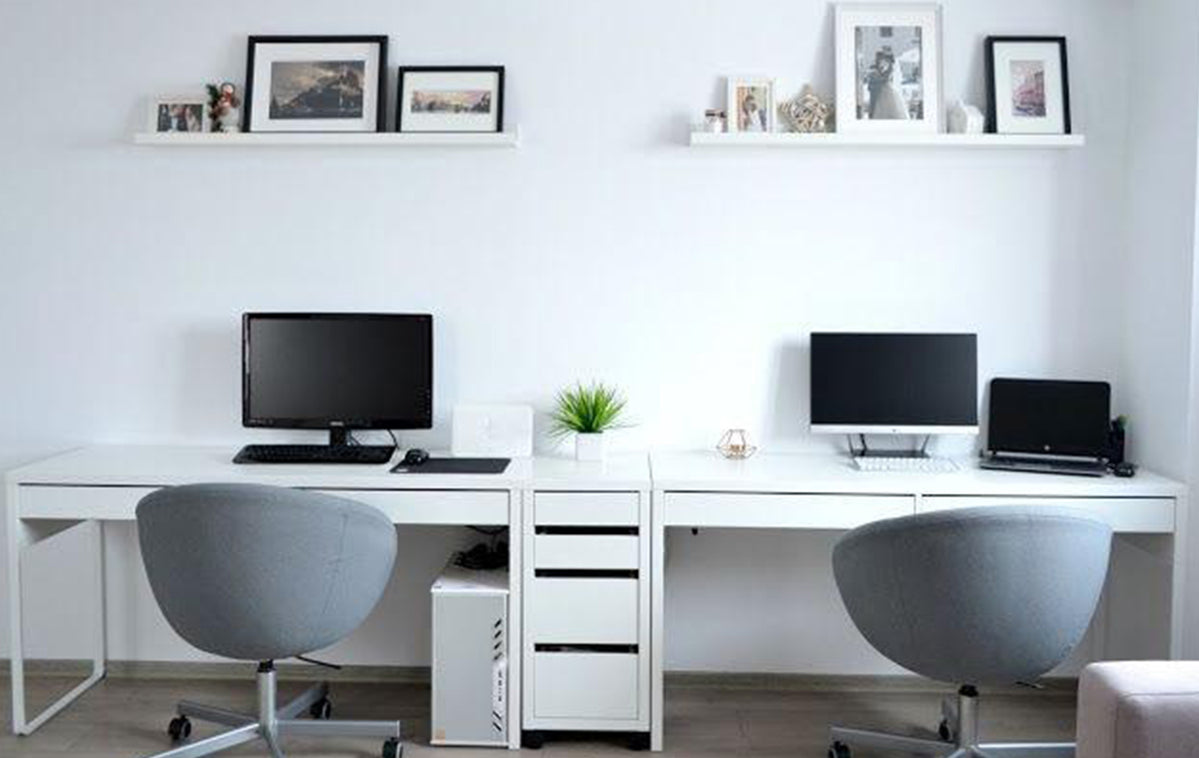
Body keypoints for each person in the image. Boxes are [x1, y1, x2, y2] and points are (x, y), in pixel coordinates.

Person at [865, 49, 909, 120]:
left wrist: (878, 75)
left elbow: (886, 77)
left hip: (886, 88)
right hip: (883, 88)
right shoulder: (884, 67)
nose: (880, 60)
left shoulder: (890, 68)